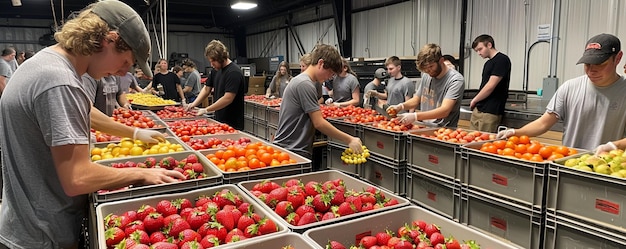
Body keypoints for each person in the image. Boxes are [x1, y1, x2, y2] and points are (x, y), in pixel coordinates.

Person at [0, 1, 185, 248]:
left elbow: (84, 112)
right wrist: (143, 173)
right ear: (109, 40)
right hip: (42, 235)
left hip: (27, 221)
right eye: (126, 62)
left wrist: (134, 132)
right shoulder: (59, 81)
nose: (123, 73)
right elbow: (77, 178)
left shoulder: (47, 63)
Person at [499, 33, 626, 152]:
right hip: (568, 164)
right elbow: (543, 123)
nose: (591, 71)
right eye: (587, 64)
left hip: (609, 167)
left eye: (600, 64)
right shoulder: (570, 88)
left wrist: (615, 146)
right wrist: (516, 132)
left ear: (618, 58)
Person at [273, 44, 363, 159]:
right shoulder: (305, 84)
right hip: (292, 150)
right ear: (321, 63)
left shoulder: (301, 81)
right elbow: (319, 123)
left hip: (291, 148)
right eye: (330, 72)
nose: (330, 77)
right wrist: (349, 139)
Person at [387, 43, 465, 127]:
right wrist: (401, 106)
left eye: (431, 66)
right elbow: (417, 99)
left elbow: (445, 110)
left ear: (441, 61)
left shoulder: (455, 80)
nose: (428, 71)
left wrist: (415, 116)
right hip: (425, 126)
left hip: (443, 130)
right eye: (425, 68)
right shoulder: (427, 75)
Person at [187, 40, 246, 130]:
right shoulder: (216, 70)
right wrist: (194, 104)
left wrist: (206, 109)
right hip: (219, 119)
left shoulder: (234, 72)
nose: (211, 64)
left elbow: (228, 98)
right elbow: (206, 89)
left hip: (232, 123)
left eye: (213, 61)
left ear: (221, 58)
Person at [469, 34, 512, 132]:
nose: (479, 53)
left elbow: (490, 85)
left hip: (491, 111)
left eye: (480, 49)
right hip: (479, 108)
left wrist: (475, 100)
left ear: (489, 45)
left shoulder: (502, 60)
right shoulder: (488, 63)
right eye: (477, 51)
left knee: (485, 144)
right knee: (471, 139)